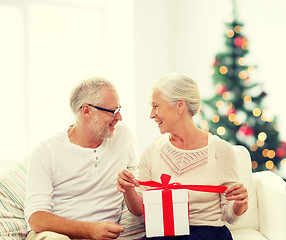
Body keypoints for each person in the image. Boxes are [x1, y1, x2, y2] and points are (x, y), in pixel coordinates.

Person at [117, 73, 248, 240]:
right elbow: (139, 211)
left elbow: (230, 216)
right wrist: (128, 189)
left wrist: (239, 204)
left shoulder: (220, 150)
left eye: (156, 106)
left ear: (180, 106)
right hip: (164, 232)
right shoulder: (153, 150)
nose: (151, 115)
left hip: (208, 233)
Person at [25, 77, 137, 240]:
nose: (119, 117)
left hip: (105, 235)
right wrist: (90, 230)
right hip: (56, 235)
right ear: (86, 111)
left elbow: (137, 180)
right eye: (112, 111)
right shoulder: (46, 151)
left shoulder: (123, 136)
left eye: (119, 109)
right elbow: (36, 218)